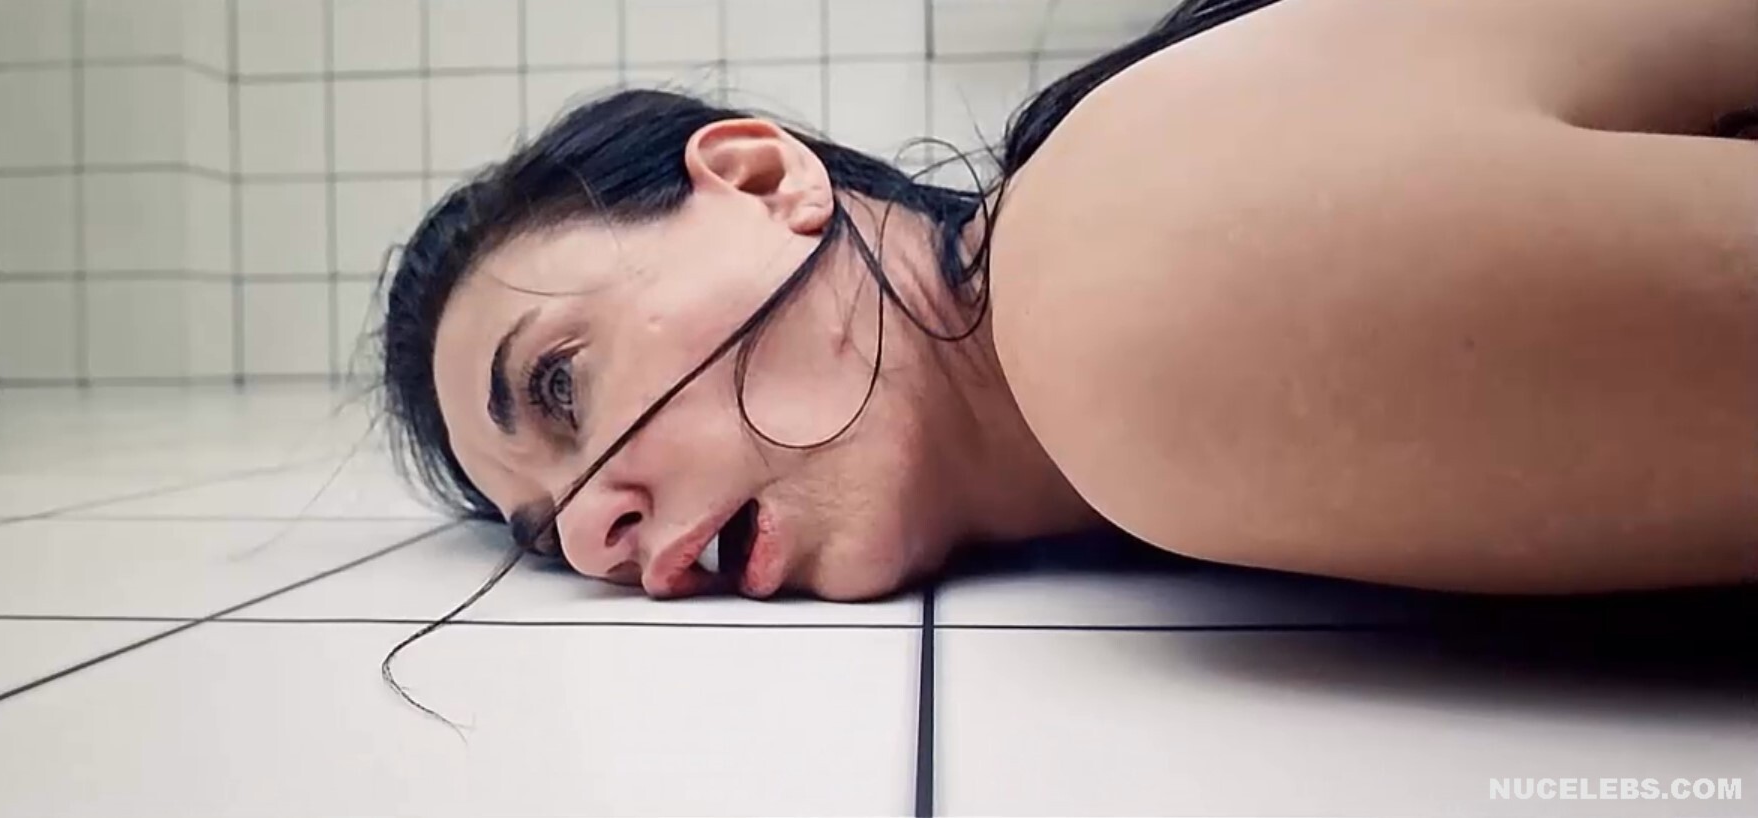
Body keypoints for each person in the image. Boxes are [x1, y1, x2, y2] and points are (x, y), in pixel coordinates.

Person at [377, 0, 1758, 602]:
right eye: (546, 532)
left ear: (760, 181)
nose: (594, 535)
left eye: (559, 383)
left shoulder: (1121, 295)